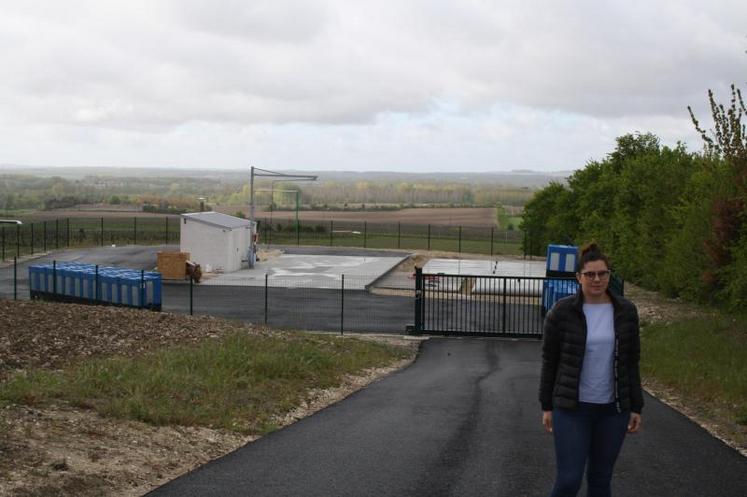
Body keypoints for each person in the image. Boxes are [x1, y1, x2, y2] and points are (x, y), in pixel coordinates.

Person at [539, 242, 643, 497]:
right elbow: (550, 361)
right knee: (569, 480)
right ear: (578, 277)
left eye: (602, 274)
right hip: (573, 409)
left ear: (609, 275)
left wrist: (636, 407)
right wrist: (547, 406)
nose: (596, 280)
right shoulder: (562, 312)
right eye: (590, 274)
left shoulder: (626, 311)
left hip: (612, 411)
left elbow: (631, 361)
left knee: (600, 479)